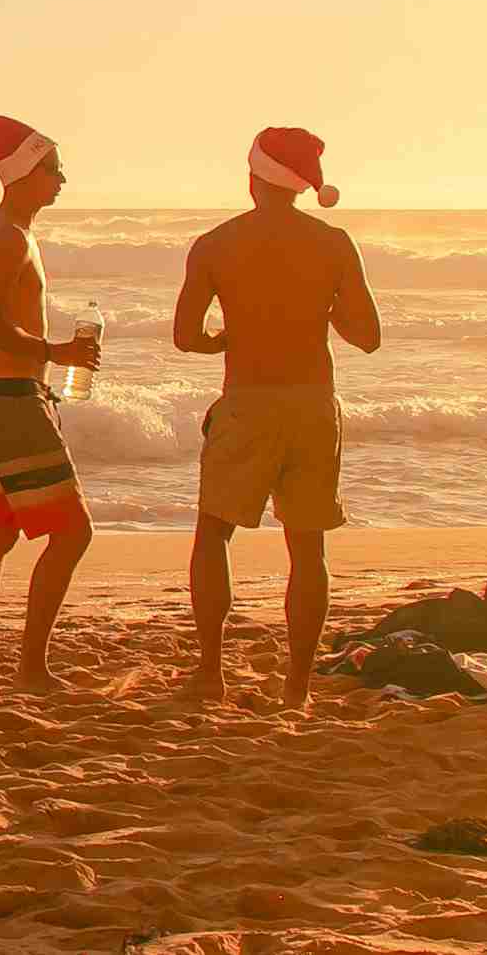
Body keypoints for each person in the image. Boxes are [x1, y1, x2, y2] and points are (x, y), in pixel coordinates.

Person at [172, 126, 380, 708]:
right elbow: (368, 337)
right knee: (307, 548)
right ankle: (297, 688)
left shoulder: (215, 245)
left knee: (213, 533)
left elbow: (185, 336)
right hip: (314, 403)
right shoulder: (334, 243)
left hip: (249, 401)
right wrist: (323, 305)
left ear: (252, 177)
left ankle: (211, 672)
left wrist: (225, 341)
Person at [0, 115, 101, 690]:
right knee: (74, 533)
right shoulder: (8, 238)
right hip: (10, 402)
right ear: (23, 173)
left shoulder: (15, 233)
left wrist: (49, 365)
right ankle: (32, 669)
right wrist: (56, 351)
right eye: (53, 169)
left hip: (1, 396)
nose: (62, 179)